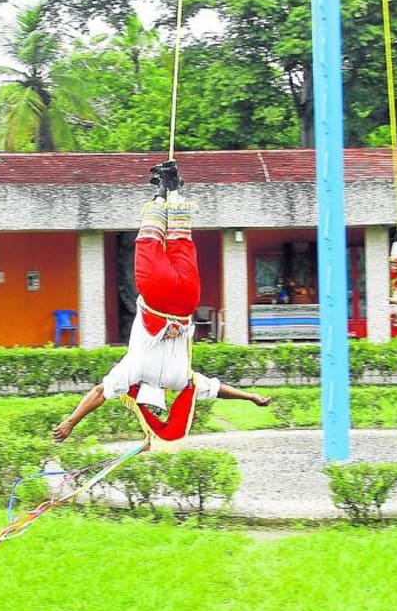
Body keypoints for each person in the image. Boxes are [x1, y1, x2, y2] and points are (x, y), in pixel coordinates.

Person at [53, 161, 270, 443]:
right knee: (148, 239)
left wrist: (251, 397)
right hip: (157, 295)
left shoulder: (181, 380)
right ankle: (160, 193)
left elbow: (218, 389)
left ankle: (171, 187)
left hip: (187, 300)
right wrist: (70, 421)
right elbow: (98, 394)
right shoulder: (131, 371)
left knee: (181, 239)